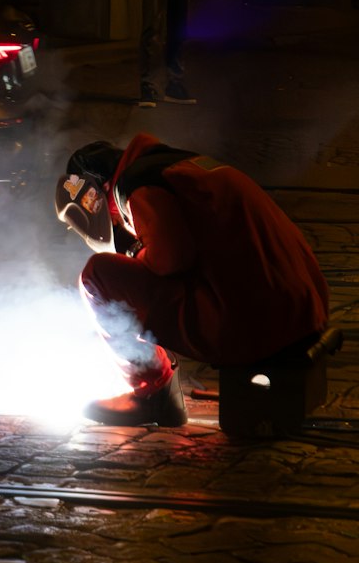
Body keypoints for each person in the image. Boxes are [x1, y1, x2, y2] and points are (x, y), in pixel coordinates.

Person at [57, 134, 330, 427]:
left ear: (99, 192)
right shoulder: (181, 164)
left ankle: (151, 394)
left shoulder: (136, 185)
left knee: (99, 277)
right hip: (303, 310)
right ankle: (158, 394)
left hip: (257, 324)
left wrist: (136, 251)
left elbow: (172, 258)